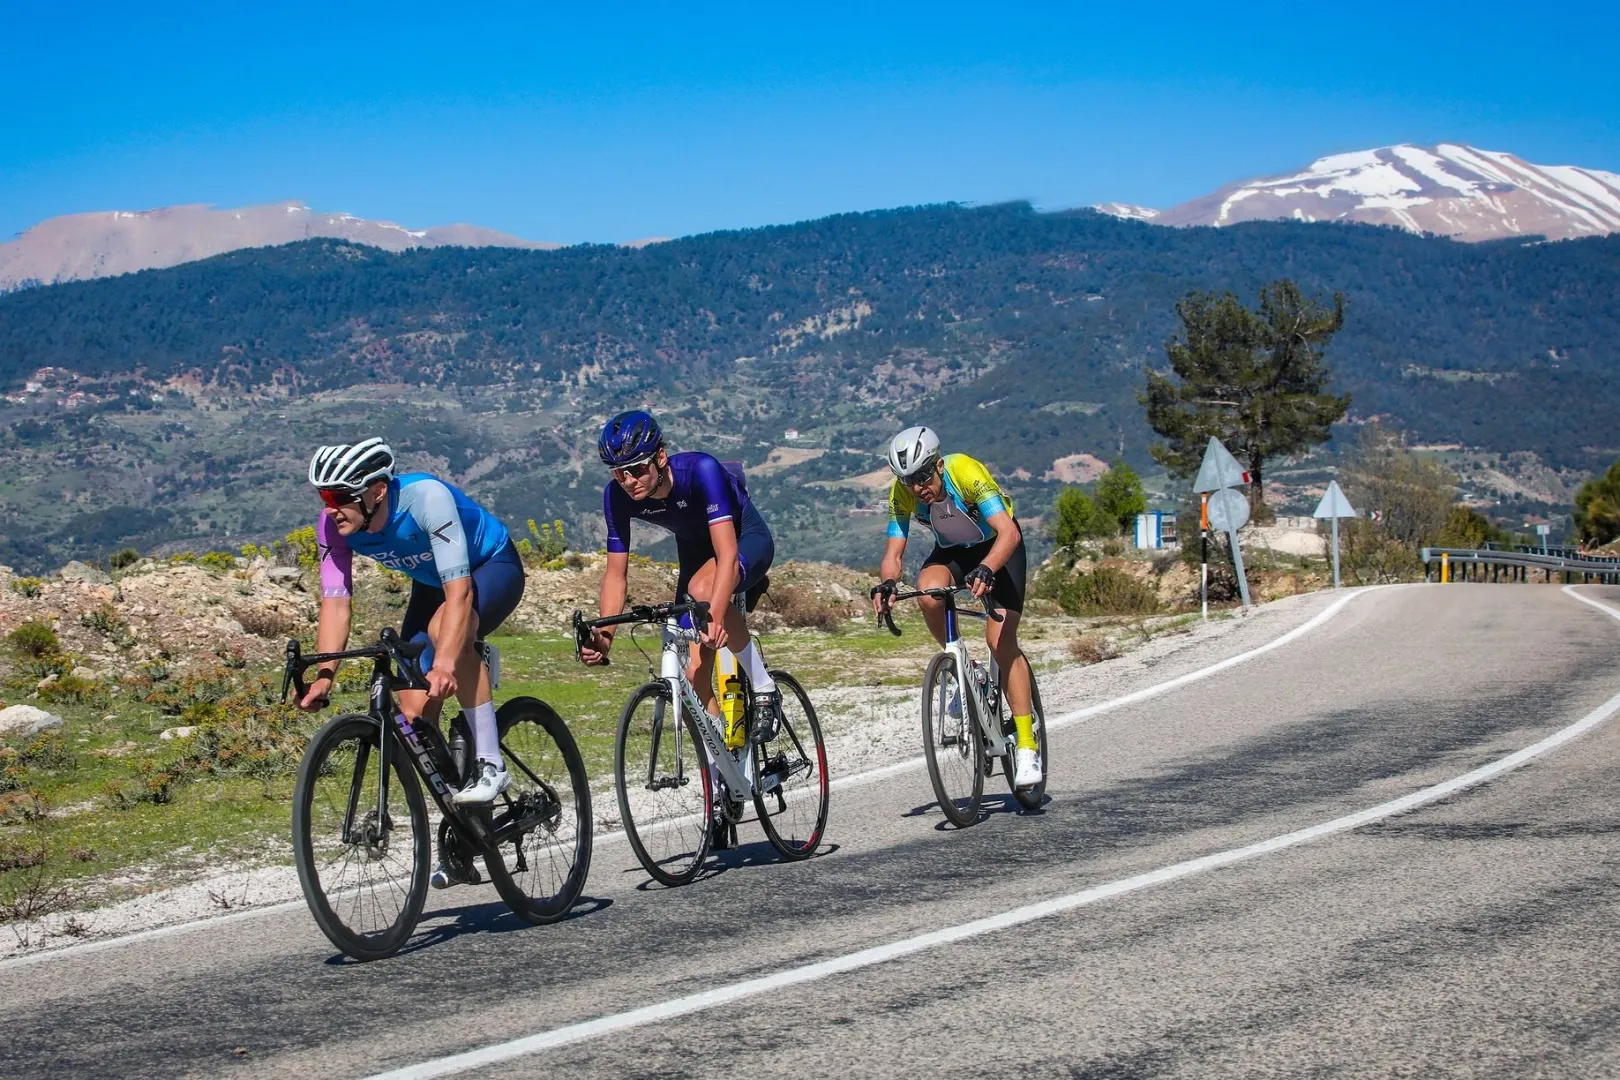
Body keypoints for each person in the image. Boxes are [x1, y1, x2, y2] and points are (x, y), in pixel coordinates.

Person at [297, 437, 527, 833]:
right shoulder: (334, 525)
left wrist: (445, 663)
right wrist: (324, 676)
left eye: (340, 496)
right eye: (324, 497)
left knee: (446, 634)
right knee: (413, 716)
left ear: (377, 491)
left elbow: (460, 593)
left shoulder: (426, 499)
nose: (330, 508)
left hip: (490, 566)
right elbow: (335, 604)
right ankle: (463, 824)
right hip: (433, 582)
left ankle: (491, 764)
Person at [578, 409, 782, 749]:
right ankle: (723, 772)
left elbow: (727, 555)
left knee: (702, 591)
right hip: (695, 555)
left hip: (743, 539)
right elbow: (615, 575)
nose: (628, 481)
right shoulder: (616, 497)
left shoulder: (701, 470)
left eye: (637, 469)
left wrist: (716, 614)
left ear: (660, 457)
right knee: (694, 677)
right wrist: (606, 634)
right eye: (618, 473)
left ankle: (765, 688)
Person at [871, 425, 1041, 787]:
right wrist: (887, 583)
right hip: (954, 552)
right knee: (928, 591)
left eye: (922, 476)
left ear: (938, 465)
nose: (917, 487)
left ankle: (1027, 745)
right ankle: (969, 671)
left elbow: (1008, 532)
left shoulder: (964, 471)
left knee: (1000, 641)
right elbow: (893, 554)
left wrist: (988, 568)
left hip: (999, 549)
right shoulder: (902, 494)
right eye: (907, 480)